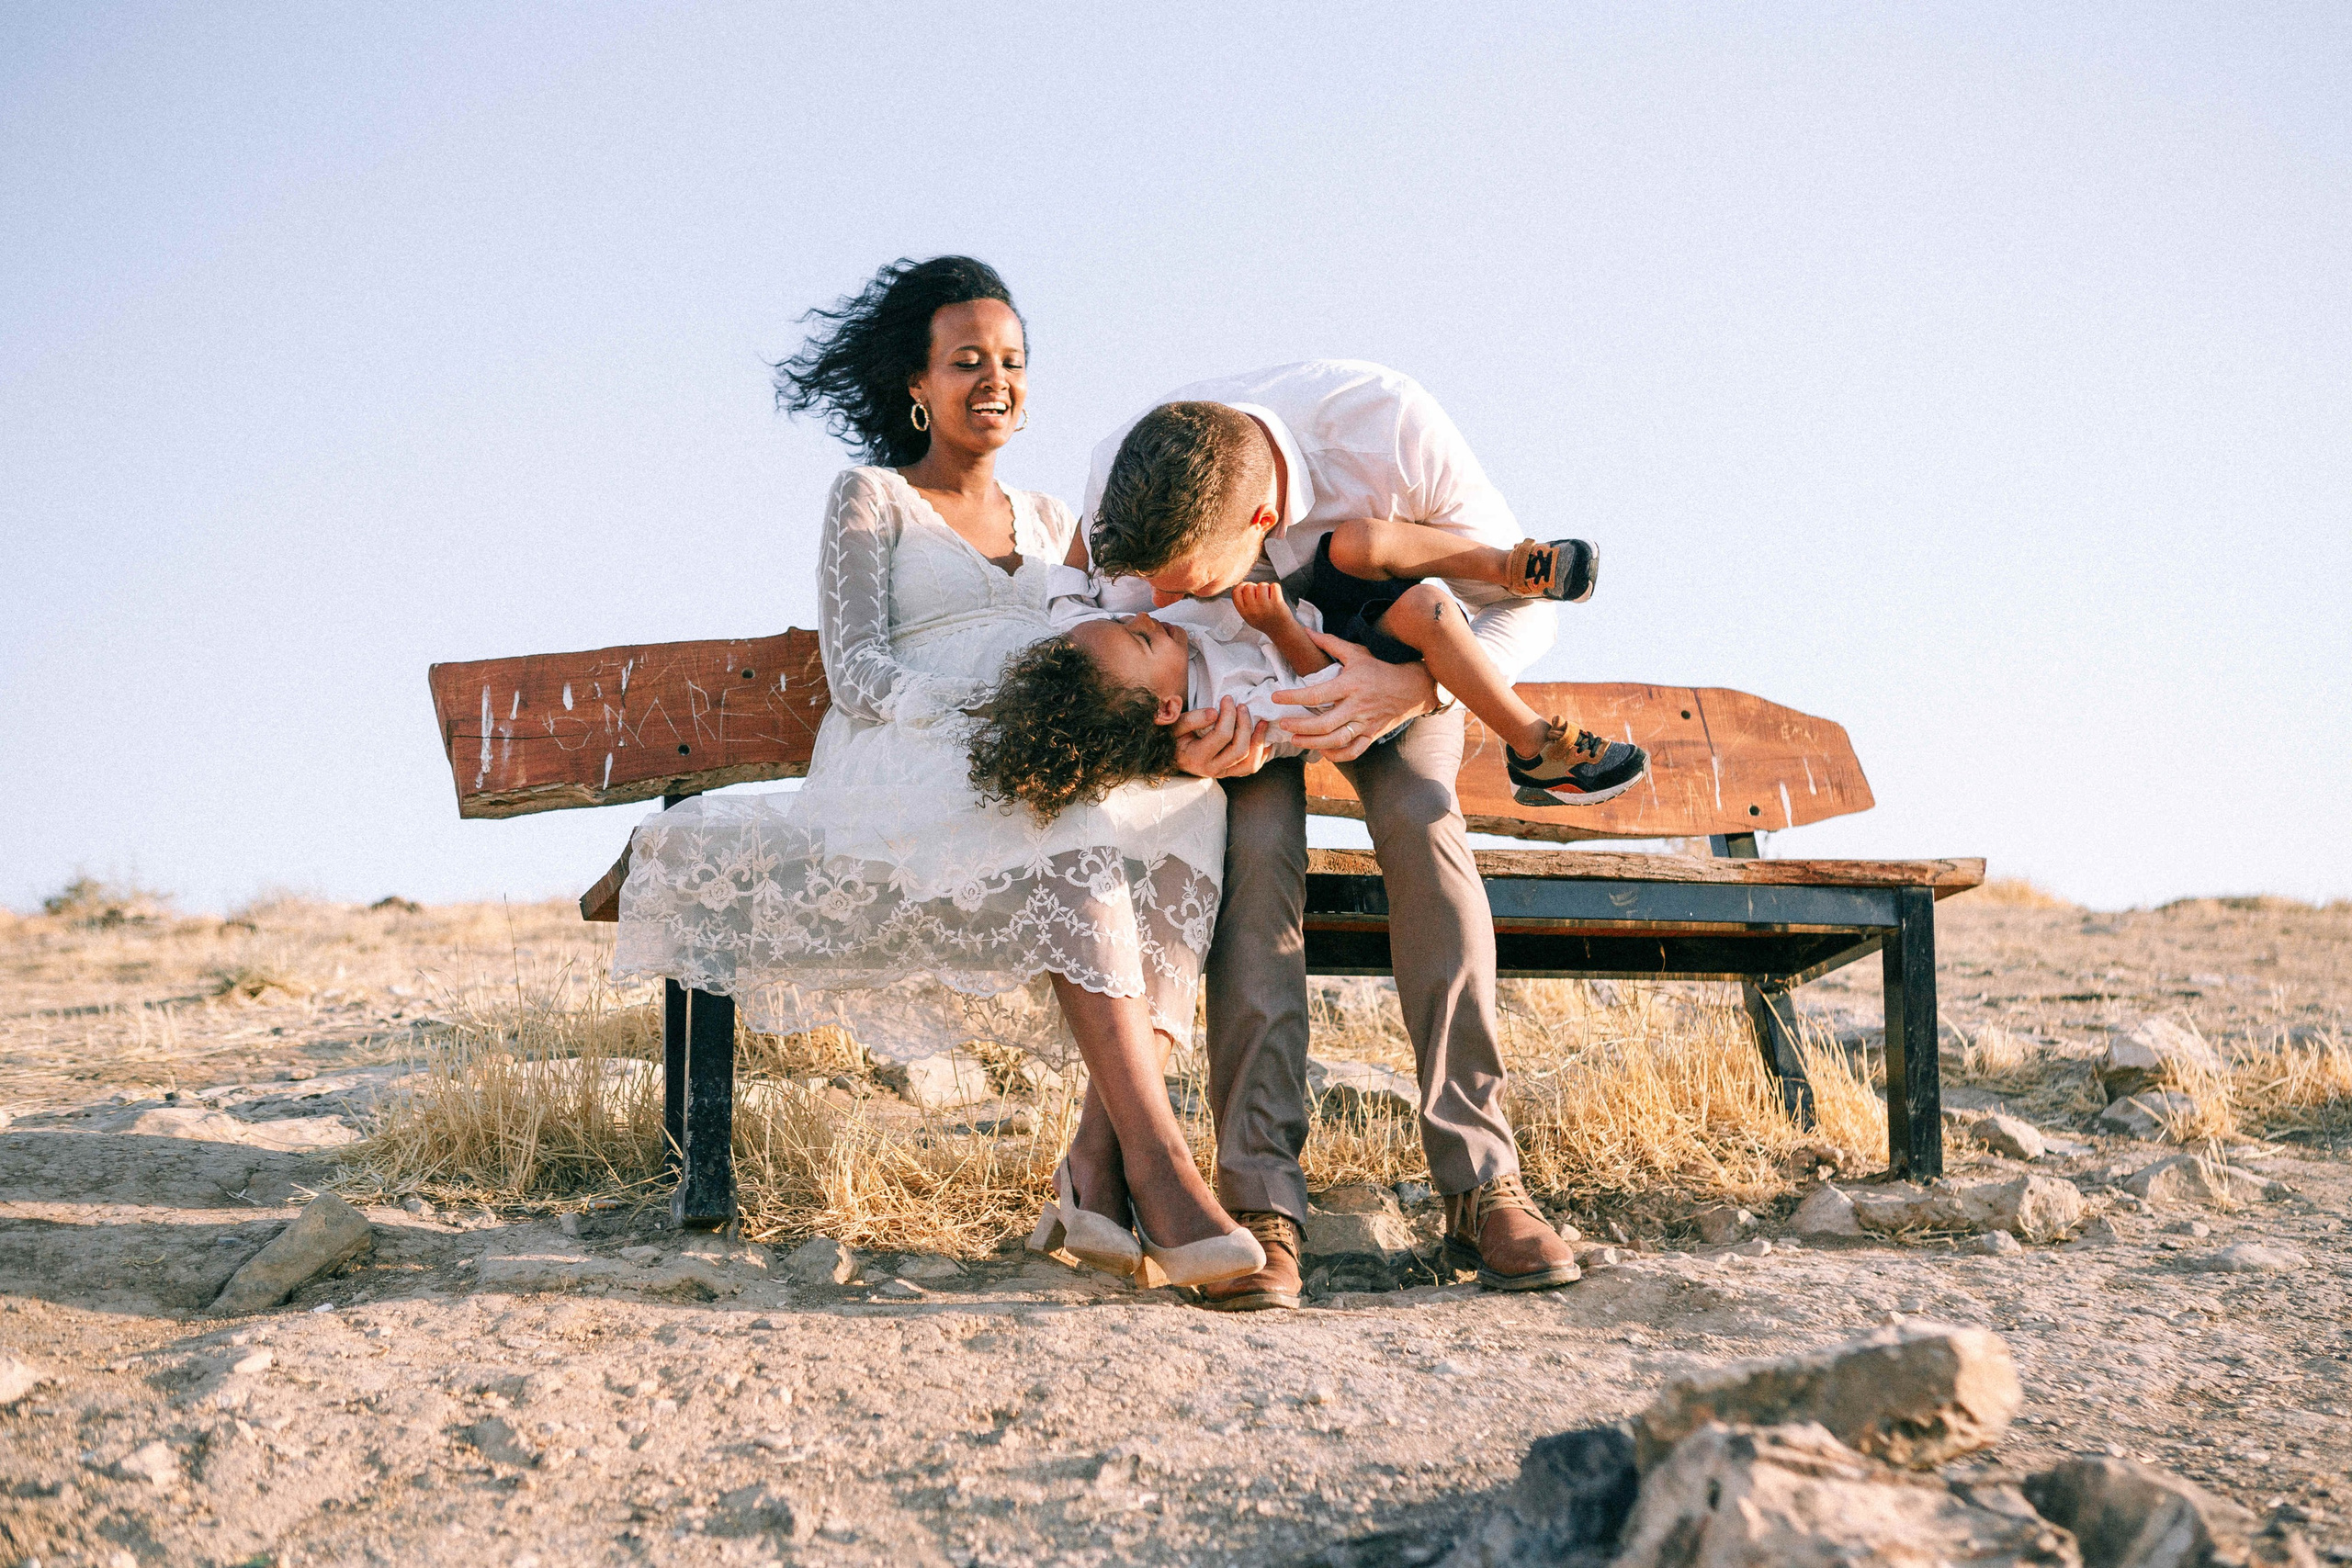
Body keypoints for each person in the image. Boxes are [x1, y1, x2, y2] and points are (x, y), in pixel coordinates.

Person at [612, 257, 1261, 1289]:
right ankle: (1162, 1170)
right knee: (1078, 835)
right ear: (917, 385)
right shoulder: (872, 496)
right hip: (909, 754)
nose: (994, 379)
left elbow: (1132, 637)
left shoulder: (1057, 522)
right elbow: (857, 667)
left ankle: (1095, 1166)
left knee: (1193, 810)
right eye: (966, 361)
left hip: (1046, 758)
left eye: (1011, 361)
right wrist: (981, 721)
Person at [1053, 361, 1586, 1310]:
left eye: (1193, 579)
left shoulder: (1385, 423)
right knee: (1254, 868)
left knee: (1424, 832)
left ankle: (1481, 1183)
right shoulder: (1120, 480)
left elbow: (1518, 596)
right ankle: (1261, 1204)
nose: (1165, 591)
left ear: (1259, 526)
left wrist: (1413, 687)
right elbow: (1102, 635)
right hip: (1243, 707)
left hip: (1386, 656)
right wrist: (1177, 736)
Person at [967, 515, 1650, 818]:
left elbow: (1071, 568)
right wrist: (1278, 626)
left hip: (1324, 609)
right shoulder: (1225, 717)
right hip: (1352, 676)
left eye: (1126, 621)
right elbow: (1324, 698)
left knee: (1361, 540)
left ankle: (1507, 565)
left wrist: (1111, 512)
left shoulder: (1088, 641)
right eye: (1145, 640)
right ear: (1168, 708)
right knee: (1431, 613)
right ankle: (1534, 747)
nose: (1144, 618)